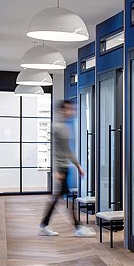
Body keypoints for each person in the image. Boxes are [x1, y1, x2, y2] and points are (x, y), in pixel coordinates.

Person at [40, 100, 95, 238]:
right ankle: (77, 227)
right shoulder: (57, 127)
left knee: (60, 197)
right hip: (61, 168)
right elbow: (55, 151)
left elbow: (67, 150)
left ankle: (45, 224)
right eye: (69, 109)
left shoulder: (65, 126)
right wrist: (57, 170)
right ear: (62, 110)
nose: (71, 112)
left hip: (65, 167)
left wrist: (78, 165)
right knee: (66, 197)